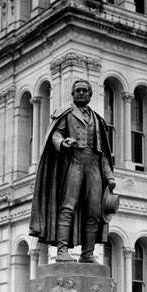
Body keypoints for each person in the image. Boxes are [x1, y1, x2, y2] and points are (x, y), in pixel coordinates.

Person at [29, 79, 116, 263]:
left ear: (91, 95)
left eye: (85, 90)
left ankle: (87, 253)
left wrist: (109, 176)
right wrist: (63, 142)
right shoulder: (66, 114)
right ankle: (62, 250)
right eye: (78, 90)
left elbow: (103, 153)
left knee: (94, 211)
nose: (82, 93)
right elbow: (55, 134)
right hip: (74, 164)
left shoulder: (97, 120)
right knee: (68, 207)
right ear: (73, 93)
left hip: (94, 167)